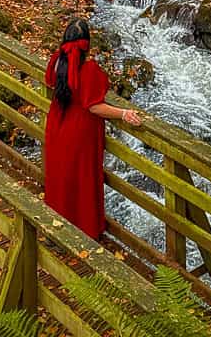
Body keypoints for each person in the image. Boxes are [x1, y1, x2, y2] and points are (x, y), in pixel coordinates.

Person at [43, 18, 142, 240]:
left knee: (60, 177)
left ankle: (57, 226)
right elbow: (94, 105)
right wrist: (123, 113)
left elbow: (51, 83)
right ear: (87, 44)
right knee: (83, 178)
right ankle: (85, 229)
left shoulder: (57, 61)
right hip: (80, 131)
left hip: (58, 124)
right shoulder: (88, 69)